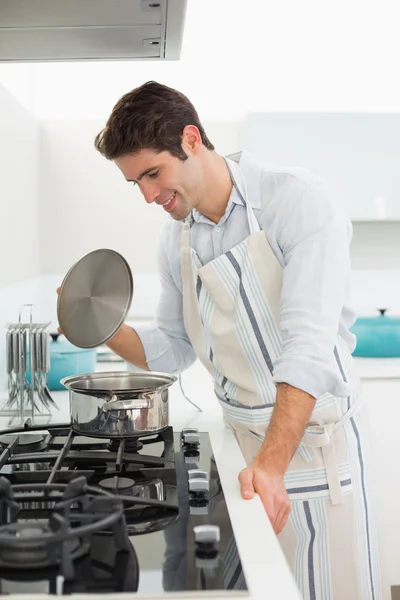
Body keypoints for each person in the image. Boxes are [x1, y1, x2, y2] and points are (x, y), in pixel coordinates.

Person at [90, 81, 381, 599]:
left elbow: (308, 349)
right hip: (246, 455)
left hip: (315, 450)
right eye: (136, 183)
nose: (149, 196)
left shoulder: (297, 201)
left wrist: (272, 467)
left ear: (192, 138)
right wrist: (101, 326)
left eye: (152, 174)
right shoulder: (175, 239)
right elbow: (173, 350)